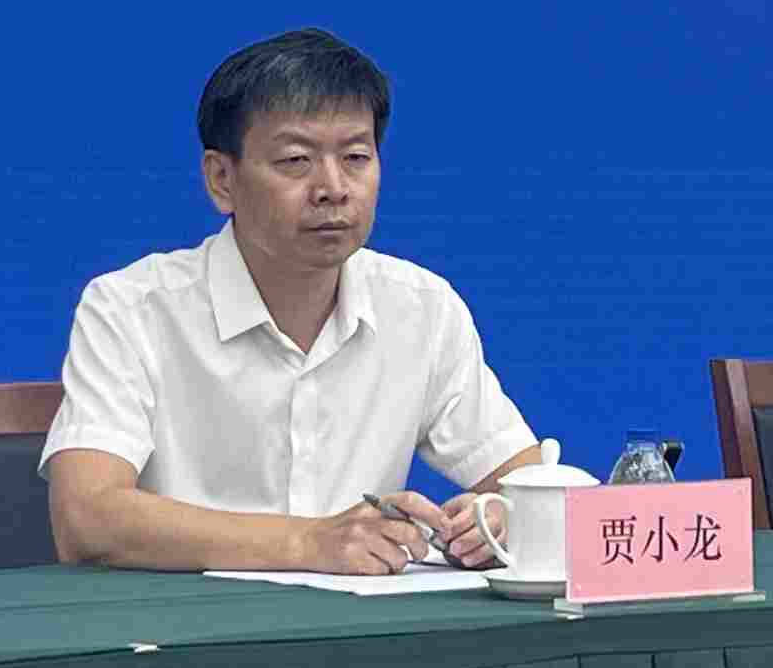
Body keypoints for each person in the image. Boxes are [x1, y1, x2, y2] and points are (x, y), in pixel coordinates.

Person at [42, 28, 548, 574]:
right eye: (295, 160)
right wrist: (306, 543)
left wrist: (502, 515)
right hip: (180, 620)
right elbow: (87, 518)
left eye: (356, 157)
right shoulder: (131, 309)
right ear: (222, 179)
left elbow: (527, 481)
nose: (334, 187)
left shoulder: (421, 309)